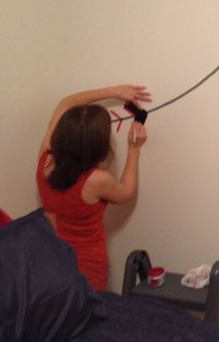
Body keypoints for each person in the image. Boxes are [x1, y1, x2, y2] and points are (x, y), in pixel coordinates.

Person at [36, 85, 151, 291]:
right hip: (86, 270)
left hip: (51, 262)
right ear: (97, 148)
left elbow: (65, 104)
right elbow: (125, 192)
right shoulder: (95, 180)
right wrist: (134, 150)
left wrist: (114, 92)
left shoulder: (45, 158)